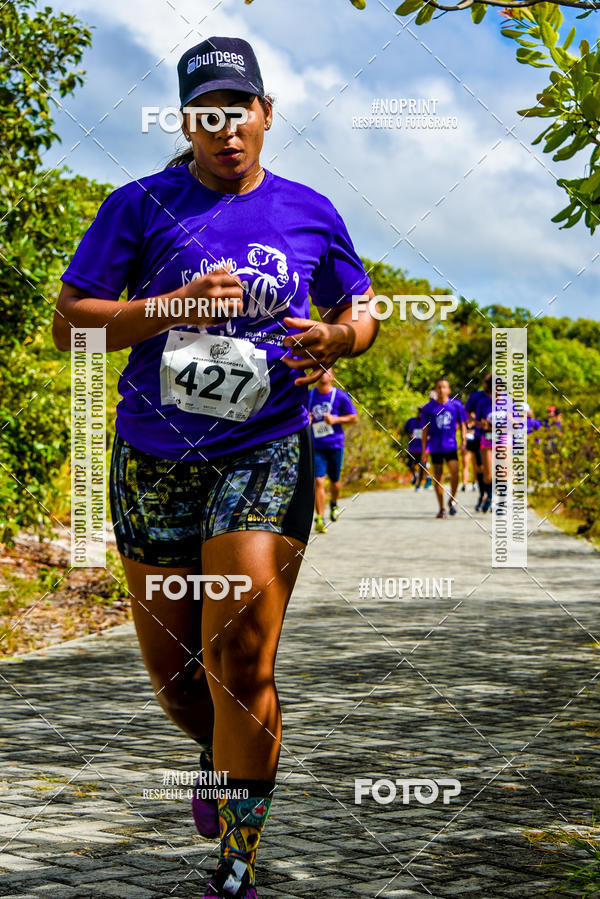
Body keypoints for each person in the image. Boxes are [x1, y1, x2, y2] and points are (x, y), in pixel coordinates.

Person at [52, 36, 379, 899]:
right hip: (154, 459)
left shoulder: (310, 211)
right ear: (187, 122)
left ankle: (236, 867)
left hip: (264, 443)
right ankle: (212, 750)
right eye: (207, 114)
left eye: (240, 110)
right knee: (178, 679)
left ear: (266, 115)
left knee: (238, 654)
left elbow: (361, 307)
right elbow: (72, 329)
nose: (225, 128)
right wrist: (171, 307)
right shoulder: (138, 206)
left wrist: (339, 337)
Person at [308, 368, 358, 533]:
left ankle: (334, 504)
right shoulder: (309, 396)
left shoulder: (340, 396)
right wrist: (305, 419)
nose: (323, 375)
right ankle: (320, 518)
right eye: (320, 371)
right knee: (318, 481)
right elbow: (298, 414)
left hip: (335, 444)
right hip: (316, 446)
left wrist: (336, 419)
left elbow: (353, 417)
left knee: (335, 481)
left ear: (332, 376)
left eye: (326, 372)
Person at [421, 378, 467, 518]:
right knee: (438, 477)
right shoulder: (428, 408)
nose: (441, 390)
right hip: (436, 447)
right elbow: (425, 429)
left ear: (449, 390)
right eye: (439, 387)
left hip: (451, 446)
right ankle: (441, 507)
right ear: (435, 390)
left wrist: (463, 441)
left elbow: (463, 424)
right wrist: (424, 450)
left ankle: (452, 500)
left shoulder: (456, 405)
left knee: (455, 472)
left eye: (444, 387)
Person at [465, 374, 491, 511]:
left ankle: (492, 496)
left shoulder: (503, 398)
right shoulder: (477, 397)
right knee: (480, 467)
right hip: (479, 435)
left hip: (497, 438)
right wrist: (477, 423)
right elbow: (467, 412)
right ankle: (482, 494)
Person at [403, 407, 428, 490]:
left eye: (422, 412)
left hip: (424, 449)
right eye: (419, 412)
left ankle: (419, 484)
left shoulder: (428, 422)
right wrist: (410, 434)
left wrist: (428, 437)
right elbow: (405, 430)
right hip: (413, 448)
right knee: (411, 464)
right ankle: (414, 475)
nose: (420, 414)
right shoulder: (411, 421)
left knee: (422, 466)